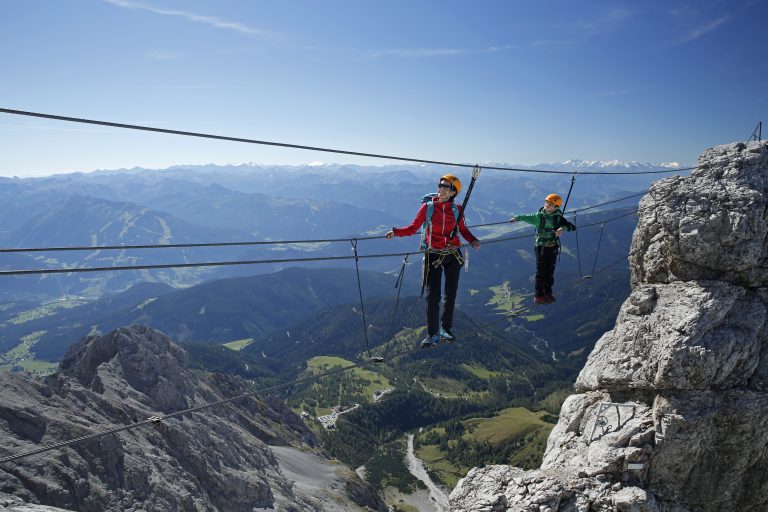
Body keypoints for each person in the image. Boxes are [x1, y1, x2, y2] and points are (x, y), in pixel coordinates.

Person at [386, 174, 481, 348]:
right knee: (433, 296)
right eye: (441, 185)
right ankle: (432, 334)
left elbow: (463, 230)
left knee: (450, 295)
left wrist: (473, 240)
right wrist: (396, 232)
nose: (442, 189)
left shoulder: (457, 209)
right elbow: (413, 227)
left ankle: (446, 329)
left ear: (454, 192)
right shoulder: (428, 207)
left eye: (447, 187)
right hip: (434, 254)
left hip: (453, 254)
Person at [510, 193, 576, 305]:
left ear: (556, 207)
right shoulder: (539, 216)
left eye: (550, 204)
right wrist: (517, 218)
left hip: (553, 246)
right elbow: (527, 217)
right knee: (541, 272)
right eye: (546, 202)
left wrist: (561, 228)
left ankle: (548, 293)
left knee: (550, 271)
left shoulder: (557, 218)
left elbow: (571, 227)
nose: (547, 205)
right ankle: (539, 295)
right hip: (541, 246)